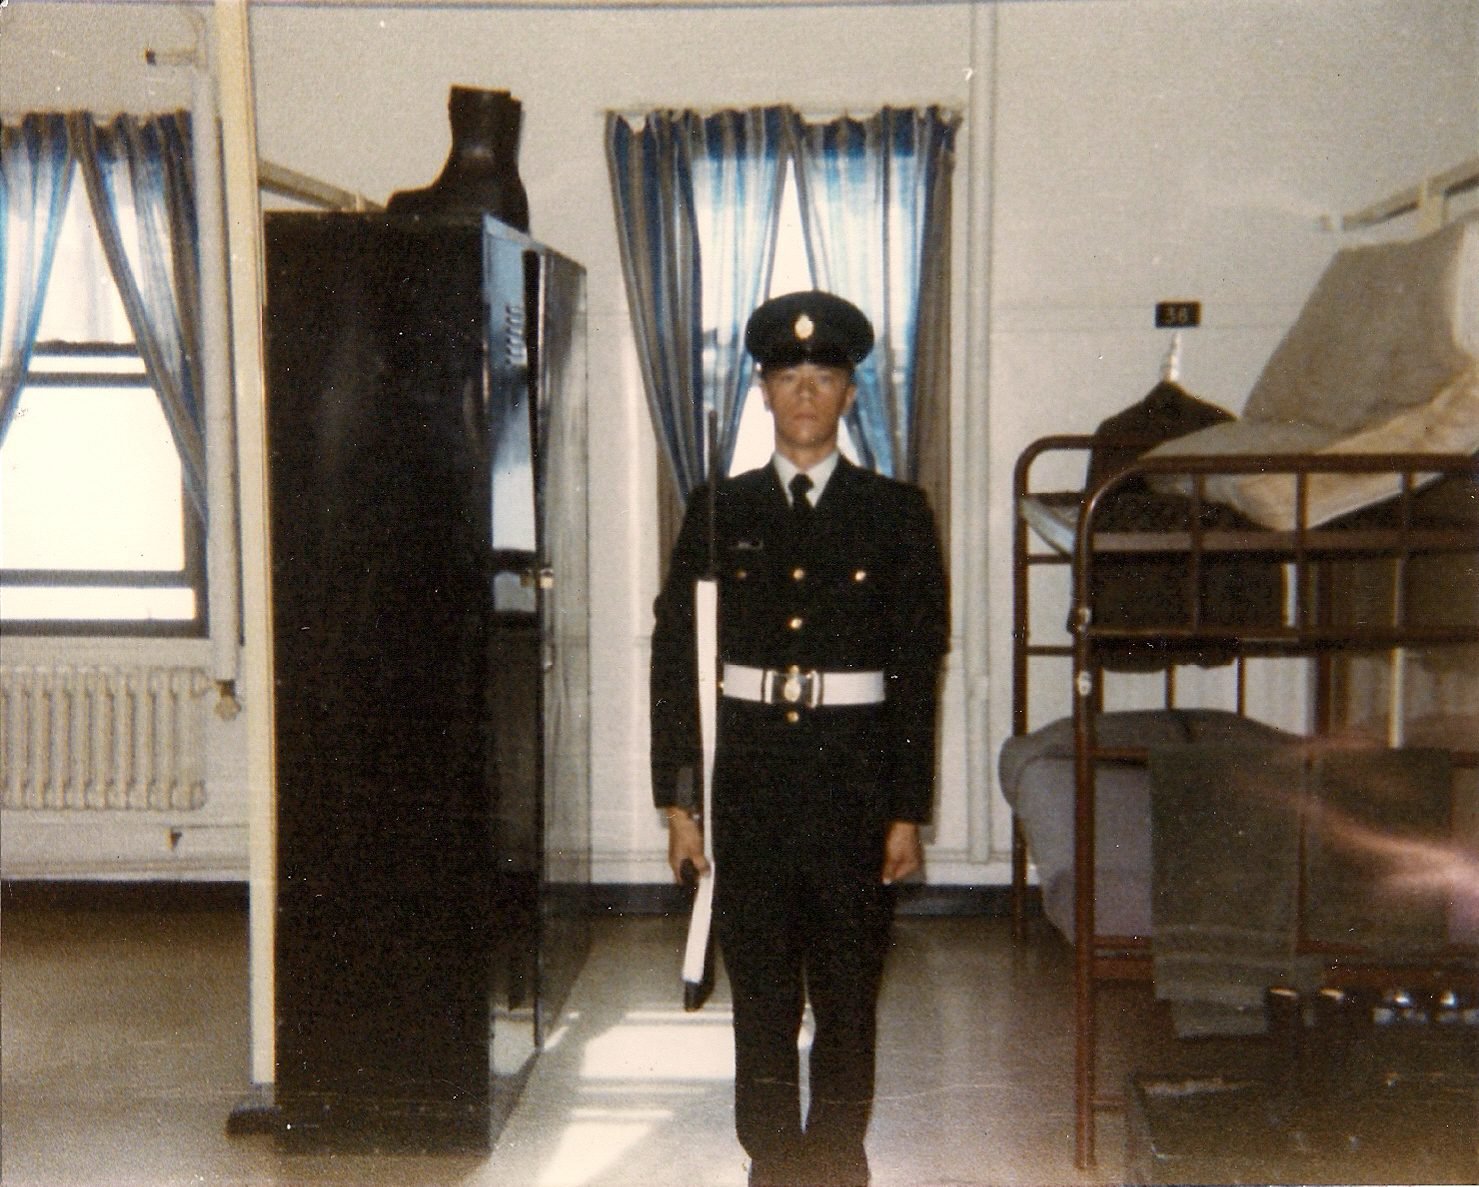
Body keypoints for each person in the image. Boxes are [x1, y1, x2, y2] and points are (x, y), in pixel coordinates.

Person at [650, 291, 949, 1186]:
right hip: (748, 782)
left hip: (854, 782)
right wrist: (680, 801)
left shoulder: (896, 514)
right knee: (763, 991)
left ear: (849, 393)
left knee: (848, 986)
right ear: (763, 391)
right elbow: (677, 661)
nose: (806, 392)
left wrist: (907, 809)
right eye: (788, 376)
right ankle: (773, 1157)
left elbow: (915, 671)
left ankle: (837, 1156)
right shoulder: (717, 509)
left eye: (823, 376)